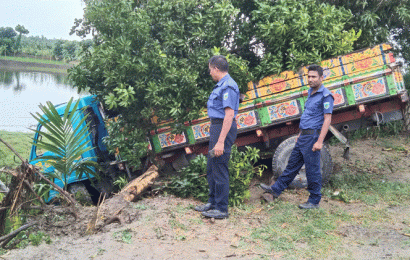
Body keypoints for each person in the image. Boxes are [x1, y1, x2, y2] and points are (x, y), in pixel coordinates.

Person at [260, 64, 334, 209]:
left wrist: (319, 141)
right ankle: (275, 189)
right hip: (304, 136)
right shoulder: (310, 93)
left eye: (314, 77)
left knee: (312, 169)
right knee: (292, 166)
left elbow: (327, 119)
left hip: (313, 136)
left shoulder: (326, 95)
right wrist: (300, 134)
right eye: (309, 76)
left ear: (321, 78)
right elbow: (307, 116)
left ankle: (314, 201)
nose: (310, 79)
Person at [194, 55, 240, 219]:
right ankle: (212, 203)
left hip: (223, 128)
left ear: (215, 68)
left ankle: (222, 209)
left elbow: (229, 115)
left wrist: (220, 141)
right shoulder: (222, 85)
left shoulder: (228, 86)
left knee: (219, 167)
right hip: (217, 127)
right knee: (212, 167)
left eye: (210, 69)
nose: (210, 73)